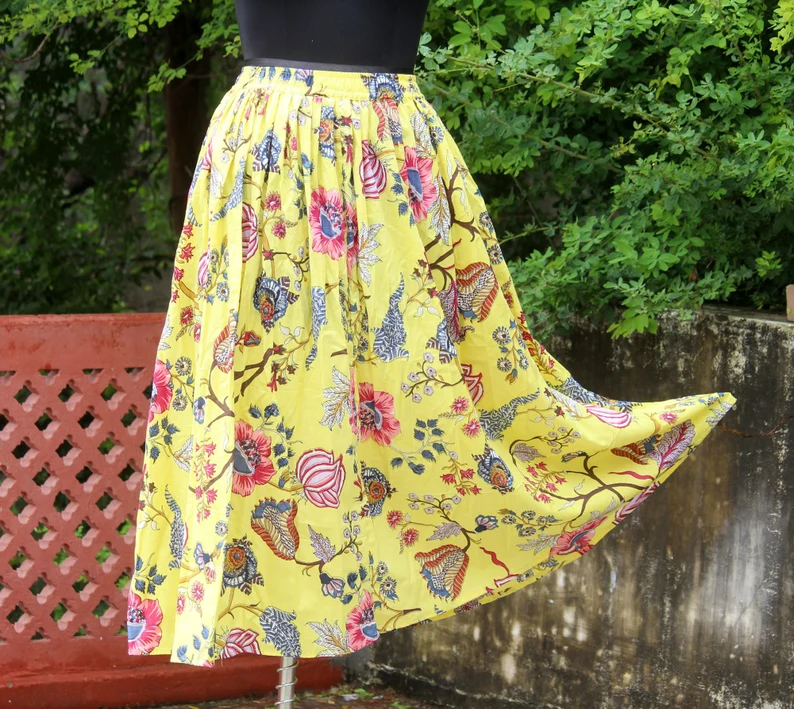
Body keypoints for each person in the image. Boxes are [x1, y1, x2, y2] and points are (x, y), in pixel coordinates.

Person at [127, 0, 737, 667]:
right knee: (250, 390)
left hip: (380, 153)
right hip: (264, 156)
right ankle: (276, 597)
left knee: (425, 386)